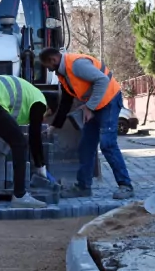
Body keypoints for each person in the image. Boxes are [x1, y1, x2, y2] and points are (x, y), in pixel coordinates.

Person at [38, 47, 134, 200]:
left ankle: (125, 186)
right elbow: (66, 101)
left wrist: (89, 107)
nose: (47, 69)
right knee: (86, 146)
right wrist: (54, 126)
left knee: (107, 144)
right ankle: (83, 187)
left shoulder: (76, 65)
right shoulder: (64, 74)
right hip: (95, 105)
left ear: (53, 60)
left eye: (46, 66)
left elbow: (102, 80)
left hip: (109, 101)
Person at [0, 75, 59, 208]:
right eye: (47, 115)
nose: (43, 119)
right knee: (20, 143)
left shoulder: (28, 95)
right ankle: (20, 195)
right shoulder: (40, 101)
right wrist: (40, 167)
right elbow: (34, 136)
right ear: (48, 109)